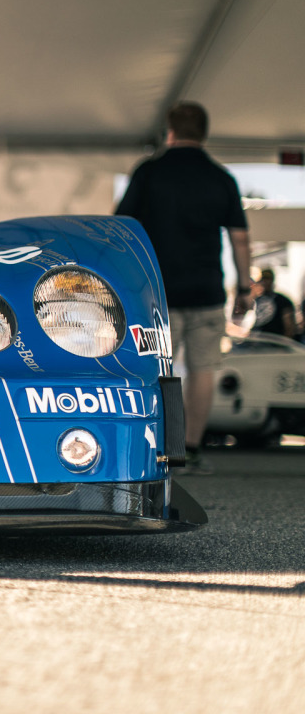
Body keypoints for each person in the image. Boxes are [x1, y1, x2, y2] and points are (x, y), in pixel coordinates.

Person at [115, 101, 251, 474]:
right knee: (204, 369)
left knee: (162, 370)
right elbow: (240, 238)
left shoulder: (149, 172)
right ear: (204, 133)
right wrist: (244, 287)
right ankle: (191, 450)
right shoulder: (221, 178)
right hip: (207, 292)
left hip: (157, 293)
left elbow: (122, 228)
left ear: (170, 131)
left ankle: (164, 450)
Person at [250, 268, 298, 339]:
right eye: (262, 279)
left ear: (272, 280)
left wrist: (285, 341)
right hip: (256, 342)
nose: (264, 282)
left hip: (276, 342)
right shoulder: (254, 300)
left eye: (267, 279)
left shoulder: (282, 300)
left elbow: (289, 326)